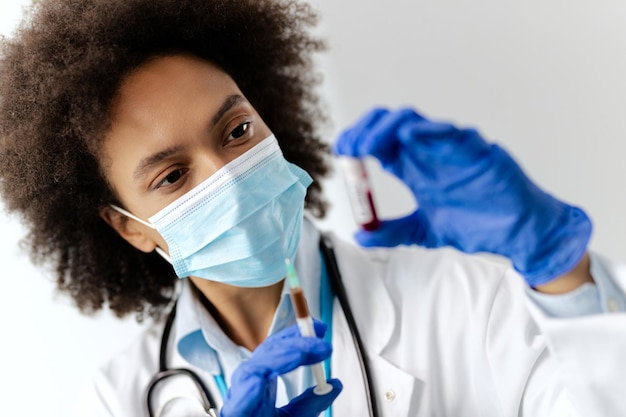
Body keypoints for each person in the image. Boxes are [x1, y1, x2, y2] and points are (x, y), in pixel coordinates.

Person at [0, 0, 624, 416]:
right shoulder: (120, 399)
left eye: (237, 132)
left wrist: (560, 271)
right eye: (171, 175)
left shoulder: (462, 300)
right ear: (129, 227)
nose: (229, 178)